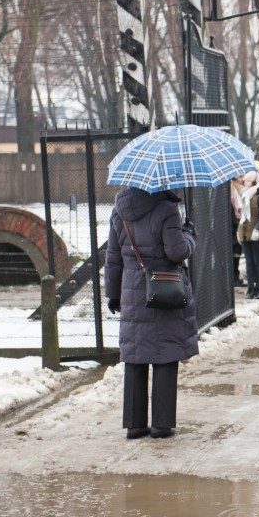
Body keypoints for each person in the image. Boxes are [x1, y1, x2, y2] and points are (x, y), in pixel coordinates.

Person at [105, 187, 197, 440]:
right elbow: (176, 252)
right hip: (162, 289)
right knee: (165, 353)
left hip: (132, 292)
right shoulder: (167, 210)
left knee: (135, 355)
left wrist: (113, 294)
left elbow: (113, 257)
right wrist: (189, 235)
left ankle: (134, 425)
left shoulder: (119, 211)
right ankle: (161, 424)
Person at [236, 171, 259, 299]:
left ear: (254, 181)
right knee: (249, 263)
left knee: (258, 262)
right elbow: (242, 216)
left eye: (248, 181)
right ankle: (250, 288)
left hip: (258, 233)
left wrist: (257, 229)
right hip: (245, 232)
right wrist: (239, 232)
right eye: (244, 180)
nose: (245, 183)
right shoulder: (244, 194)